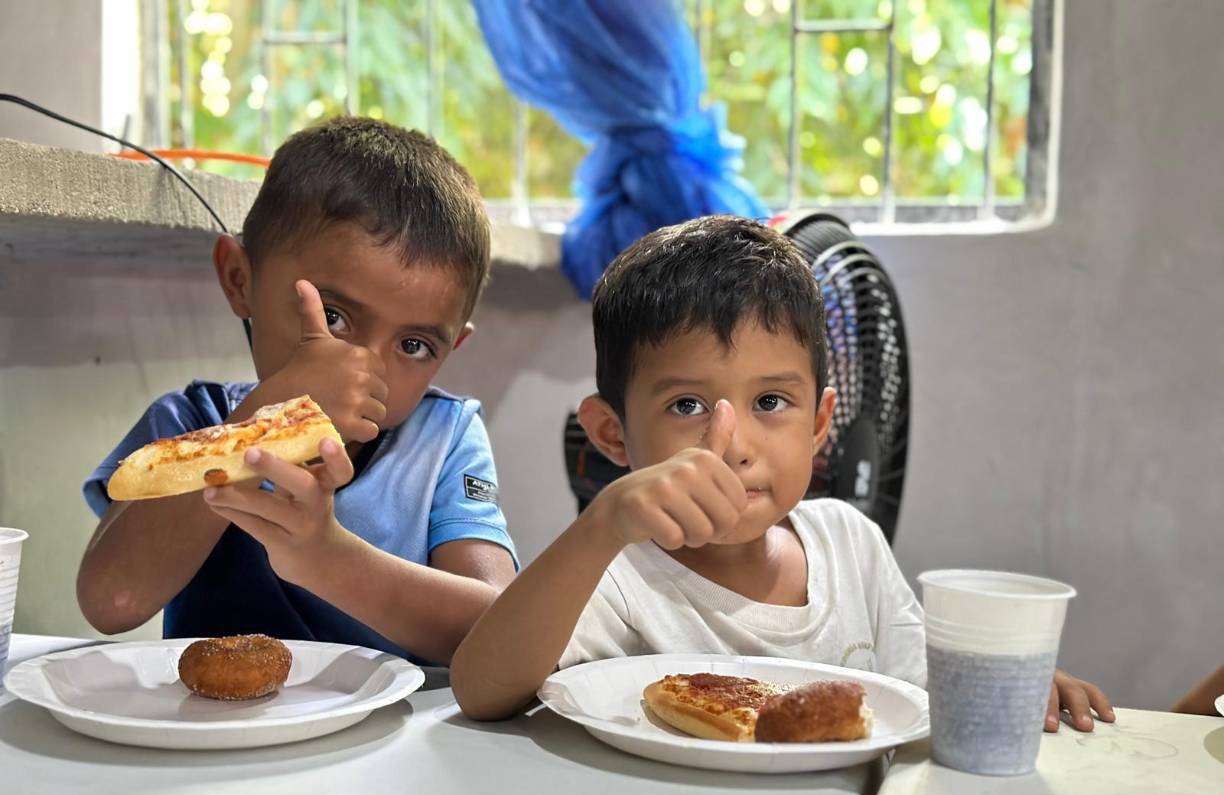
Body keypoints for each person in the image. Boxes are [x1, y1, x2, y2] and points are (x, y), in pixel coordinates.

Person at [451, 214, 1113, 730]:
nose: (730, 444)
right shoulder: (619, 576)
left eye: (771, 402)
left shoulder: (849, 543)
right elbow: (481, 692)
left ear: (822, 422)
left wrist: (1010, 684)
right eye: (687, 405)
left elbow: (923, 692)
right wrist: (599, 528)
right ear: (610, 433)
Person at [76, 117, 516, 665]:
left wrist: (325, 557)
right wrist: (252, 431)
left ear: (449, 351)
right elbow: (111, 600)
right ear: (240, 280)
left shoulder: (444, 438)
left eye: (413, 345)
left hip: (396, 740)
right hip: (218, 739)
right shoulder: (191, 423)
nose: (363, 369)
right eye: (333, 317)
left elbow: (501, 634)